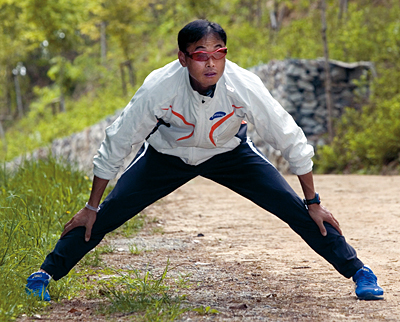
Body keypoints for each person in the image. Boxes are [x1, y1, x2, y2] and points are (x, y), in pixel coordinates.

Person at [26, 19, 383, 302]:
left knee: (296, 210)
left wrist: (314, 201)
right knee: (106, 214)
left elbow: (288, 137)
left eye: (219, 52)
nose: (211, 62)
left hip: (231, 154)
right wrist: (91, 205)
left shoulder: (242, 84)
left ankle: (359, 272)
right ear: (183, 57)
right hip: (166, 157)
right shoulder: (158, 88)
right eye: (200, 54)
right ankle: (44, 275)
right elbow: (119, 141)